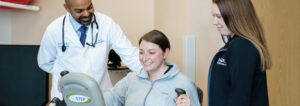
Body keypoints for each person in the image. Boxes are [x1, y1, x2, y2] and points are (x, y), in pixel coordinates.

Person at [37, 0, 142, 100]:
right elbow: (45, 62)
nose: (87, 14)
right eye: (79, 11)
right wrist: (66, 78)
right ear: (67, 8)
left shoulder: (106, 24)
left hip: (100, 94)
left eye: (89, 7)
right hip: (66, 96)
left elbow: (130, 55)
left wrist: (151, 73)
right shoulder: (54, 29)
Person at [177, 0, 272, 106]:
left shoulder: (242, 47)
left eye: (218, 16)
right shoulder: (235, 45)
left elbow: (239, 100)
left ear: (235, 15)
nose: (214, 22)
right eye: (214, 16)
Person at [103, 30, 201, 106]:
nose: (144, 58)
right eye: (141, 52)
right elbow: (106, 100)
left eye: (151, 52)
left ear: (165, 53)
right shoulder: (131, 79)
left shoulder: (184, 84)